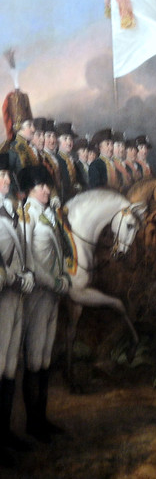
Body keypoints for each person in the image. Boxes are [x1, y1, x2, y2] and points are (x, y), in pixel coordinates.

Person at [18, 165, 69, 443]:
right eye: (41, 186)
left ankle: (43, 419)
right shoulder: (28, 216)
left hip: (52, 295)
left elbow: (58, 254)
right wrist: (54, 282)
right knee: (34, 359)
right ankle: (32, 424)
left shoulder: (48, 214)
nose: (47, 190)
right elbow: (30, 261)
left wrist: (63, 278)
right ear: (29, 189)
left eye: (48, 185)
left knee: (46, 358)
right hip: (37, 295)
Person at [0, 154, 34, 465]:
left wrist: (26, 275)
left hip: (15, 300)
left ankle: (5, 434)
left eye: (8, 176)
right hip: (1, 300)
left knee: (10, 368)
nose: (7, 181)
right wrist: (16, 277)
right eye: (2, 176)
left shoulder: (10, 213)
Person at [55, 122, 78, 203]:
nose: (69, 142)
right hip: (63, 200)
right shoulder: (57, 160)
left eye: (70, 139)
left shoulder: (73, 161)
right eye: (65, 139)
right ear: (57, 142)